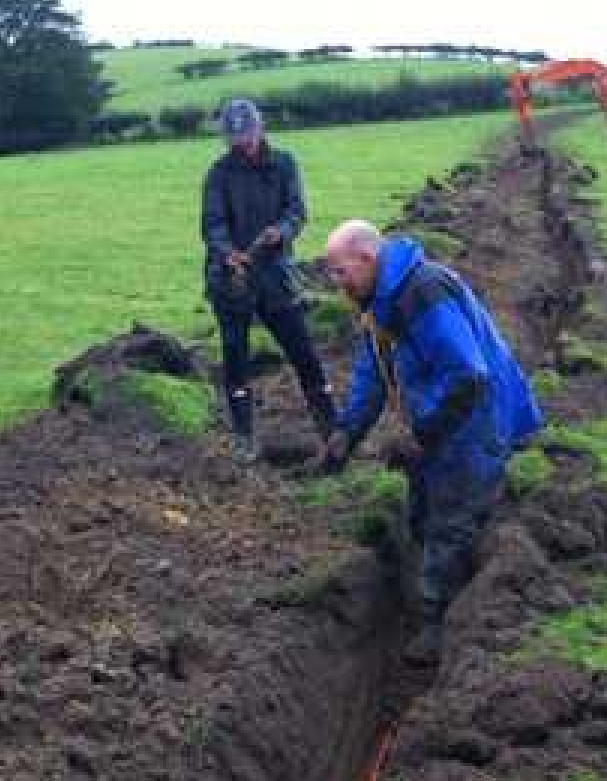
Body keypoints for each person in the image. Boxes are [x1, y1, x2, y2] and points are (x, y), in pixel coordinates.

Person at [319, 219, 543, 664]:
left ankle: (438, 624)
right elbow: (372, 371)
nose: (335, 282)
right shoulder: (377, 299)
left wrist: (423, 435)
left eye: (339, 270)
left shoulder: (422, 293)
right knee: (422, 514)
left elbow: (469, 376)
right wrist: (347, 433)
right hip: (441, 419)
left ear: (366, 258)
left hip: (476, 422)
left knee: (452, 523)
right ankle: (419, 597)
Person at [201, 98, 338, 462]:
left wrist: (282, 232)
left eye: (246, 134)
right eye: (234, 138)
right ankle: (244, 437)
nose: (241, 143)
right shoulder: (218, 173)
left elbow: (297, 210)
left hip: (275, 273)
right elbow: (212, 224)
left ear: (260, 128)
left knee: (302, 350)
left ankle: (333, 428)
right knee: (235, 358)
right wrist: (228, 253)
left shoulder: (284, 164)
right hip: (231, 280)